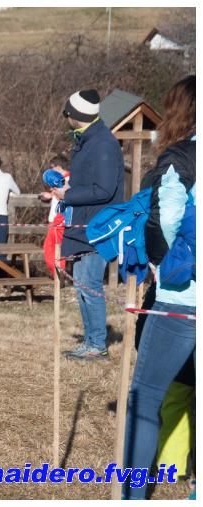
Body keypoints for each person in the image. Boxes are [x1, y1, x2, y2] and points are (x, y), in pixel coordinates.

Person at [123, 75, 195, 500]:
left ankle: (132, 495)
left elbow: (164, 220)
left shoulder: (181, 158)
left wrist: (160, 265)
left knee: (145, 397)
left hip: (182, 300)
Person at [54, 89, 124, 360]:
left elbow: (104, 190)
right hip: (82, 223)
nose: (66, 118)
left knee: (90, 284)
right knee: (82, 285)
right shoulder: (86, 140)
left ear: (75, 115)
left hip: (98, 226)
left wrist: (68, 195)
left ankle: (97, 346)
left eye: (66, 113)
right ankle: (90, 341)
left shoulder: (103, 143)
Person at [39, 155, 70, 223]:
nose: (51, 171)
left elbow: (66, 198)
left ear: (58, 167)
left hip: (59, 222)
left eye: (52, 168)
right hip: (56, 221)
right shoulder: (61, 180)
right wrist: (51, 195)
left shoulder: (67, 180)